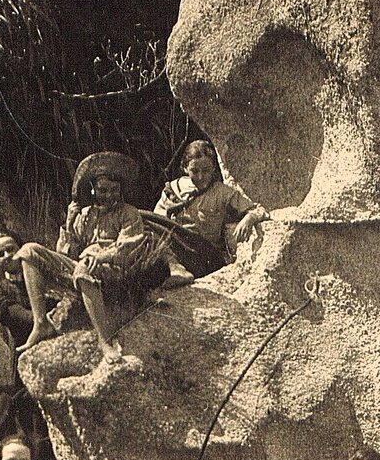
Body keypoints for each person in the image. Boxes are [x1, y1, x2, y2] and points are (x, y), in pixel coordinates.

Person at [14, 152, 149, 362]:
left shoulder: (128, 213)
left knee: (84, 266)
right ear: (93, 189)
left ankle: (105, 340)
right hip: (82, 268)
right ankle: (41, 323)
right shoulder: (85, 214)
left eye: (115, 190)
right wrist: (69, 224)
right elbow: (66, 253)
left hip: (114, 272)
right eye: (103, 190)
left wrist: (102, 257)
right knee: (28, 251)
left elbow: (129, 249)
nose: (109, 196)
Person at [154, 139, 269, 286]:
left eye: (206, 170)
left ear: (214, 169)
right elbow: (157, 220)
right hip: (177, 249)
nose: (201, 177)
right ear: (184, 168)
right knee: (143, 221)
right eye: (195, 171)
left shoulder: (221, 192)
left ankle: (176, 269)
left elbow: (259, 209)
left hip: (204, 255)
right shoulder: (175, 188)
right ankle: (174, 267)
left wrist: (249, 218)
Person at [0, 231, 35, 354]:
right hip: (24, 352)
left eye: (11, 249)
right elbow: (15, 314)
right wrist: (43, 318)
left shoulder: (40, 278)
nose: (7, 256)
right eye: (0, 254)